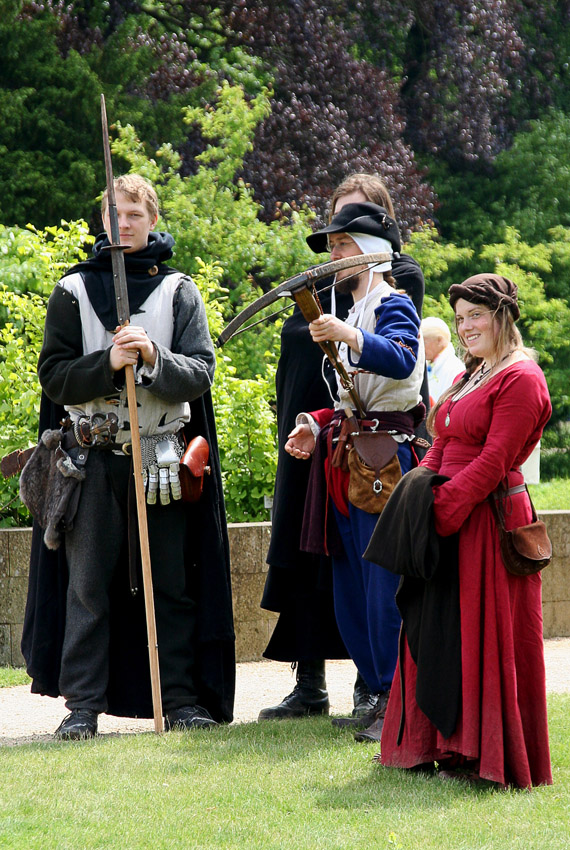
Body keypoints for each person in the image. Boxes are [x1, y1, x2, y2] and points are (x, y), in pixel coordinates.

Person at [21, 175, 235, 739]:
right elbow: (53, 377)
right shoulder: (71, 291)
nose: (125, 224)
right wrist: (107, 362)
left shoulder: (180, 291)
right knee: (87, 584)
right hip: (91, 459)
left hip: (161, 457)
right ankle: (83, 707)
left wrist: (152, 357)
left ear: (153, 219)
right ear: (102, 222)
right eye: (115, 214)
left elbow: (201, 372)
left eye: (135, 214)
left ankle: (182, 698)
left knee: (169, 582)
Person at [259, 174, 427, 727]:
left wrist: (349, 338)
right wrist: (313, 422)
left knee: (382, 590)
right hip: (346, 456)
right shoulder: (353, 311)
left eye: (343, 245)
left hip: (385, 459)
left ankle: (394, 698)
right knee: (351, 590)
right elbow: (350, 400)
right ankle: (377, 693)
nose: (333, 255)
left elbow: (402, 360)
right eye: (330, 246)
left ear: (373, 251)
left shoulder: (393, 302)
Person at [375, 273, 553, 788]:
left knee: (485, 637)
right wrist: (419, 492)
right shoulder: (473, 372)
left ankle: (487, 756)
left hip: (489, 522)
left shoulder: (520, 377)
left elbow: (497, 458)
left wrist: (444, 509)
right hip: (450, 516)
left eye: (476, 315)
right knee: (439, 633)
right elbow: (442, 438)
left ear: (503, 317)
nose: (466, 326)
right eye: (459, 318)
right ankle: (436, 746)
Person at [421, 316, 464, 404]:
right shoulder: (426, 366)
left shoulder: (455, 370)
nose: (420, 348)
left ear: (439, 340)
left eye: (424, 342)